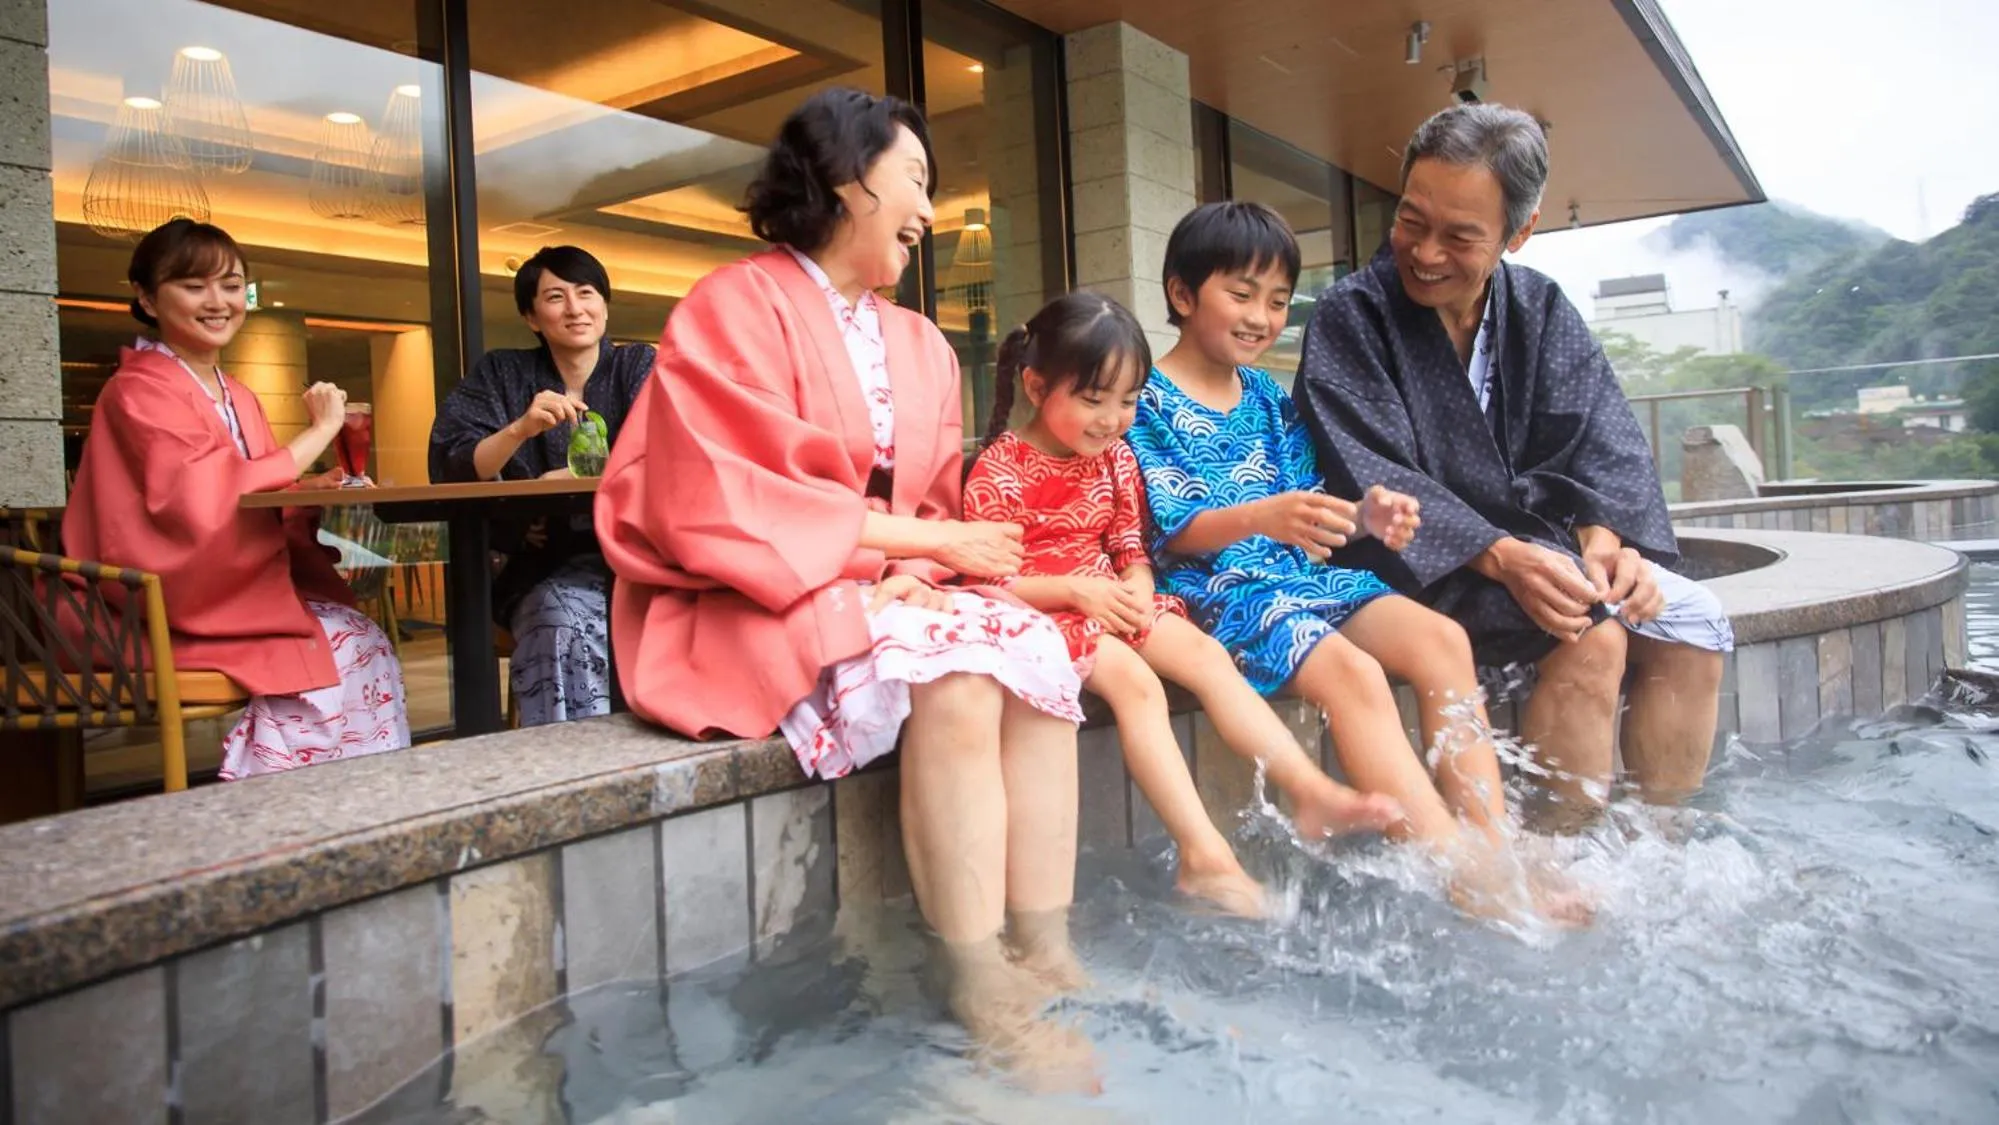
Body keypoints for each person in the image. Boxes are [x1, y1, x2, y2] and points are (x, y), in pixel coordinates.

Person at [593, 88, 1095, 1085]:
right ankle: (973, 976)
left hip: (882, 582)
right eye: (914, 180)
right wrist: (914, 548)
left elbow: (931, 500)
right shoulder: (730, 305)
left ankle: (1046, 946)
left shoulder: (919, 342)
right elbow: (719, 492)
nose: (929, 210)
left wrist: (914, 568)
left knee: (1038, 661)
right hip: (752, 592)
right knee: (959, 679)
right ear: (843, 179)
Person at [1128, 201, 1585, 924]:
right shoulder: (1145, 402)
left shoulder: (1266, 397)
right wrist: (1261, 518)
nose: (1261, 317)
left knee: (1441, 638)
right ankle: (1457, 869)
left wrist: (1365, 516)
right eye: (1241, 294)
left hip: (1298, 575)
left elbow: (1306, 505)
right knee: (1354, 674)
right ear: (1182, 295)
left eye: (1277, 301)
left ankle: (1492, 843)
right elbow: (1164, 532)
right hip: (1222, 588)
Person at [1297, 105, 1732, 825]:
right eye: (1411, 220)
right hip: (1417, 563)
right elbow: (1367, 470)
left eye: (1459, 236)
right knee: (1589, 631)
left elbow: (1599, 434)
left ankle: (1662, 836)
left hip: (1536, 547)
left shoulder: (1538, 307)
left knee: (1692, 623)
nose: (1425, 252)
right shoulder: (1351, 314)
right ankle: (1561, 844)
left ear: (1518, 233)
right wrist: (1500, 555)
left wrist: (1605, 542)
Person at [961, 290, 1402, 918]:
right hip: (1044, 613)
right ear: (1036, 386)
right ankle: (1204, 857)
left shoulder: (1116, 459)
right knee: (1137, 685)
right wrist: (1075, 591)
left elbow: (1130, 544)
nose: (1112, 419)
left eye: (1127, 401)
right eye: (1093, 399)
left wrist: (1138, 585)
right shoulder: (1000, 469)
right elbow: (988, 578)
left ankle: (1309, 789)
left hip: (1112, 598)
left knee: (1206, 657)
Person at [62, 219, 410, 779]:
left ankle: (356, 792)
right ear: (146, 298)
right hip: (157, 603)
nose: (218, 301)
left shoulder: (239, 395)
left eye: (230, 285)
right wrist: (320, 431)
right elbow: (199, 498)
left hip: (226, 589)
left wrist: (309, 488)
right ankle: (279, 793)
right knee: (337, 646)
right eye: (193, 285)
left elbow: (252, 486)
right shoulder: (137, 389)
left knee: (364, 636)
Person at [429, 245, 654, 727]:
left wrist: (565, 480)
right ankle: (564, 754)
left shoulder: (638, 366)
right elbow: (453, 462)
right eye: (555, 297)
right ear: (531, 317)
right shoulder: (503, 373)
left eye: (586, 293)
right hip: (539, 567)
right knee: (559, 620)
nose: (575, 308)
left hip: (639, 566)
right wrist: (519, 431)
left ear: (605, 304)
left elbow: (665, 451)